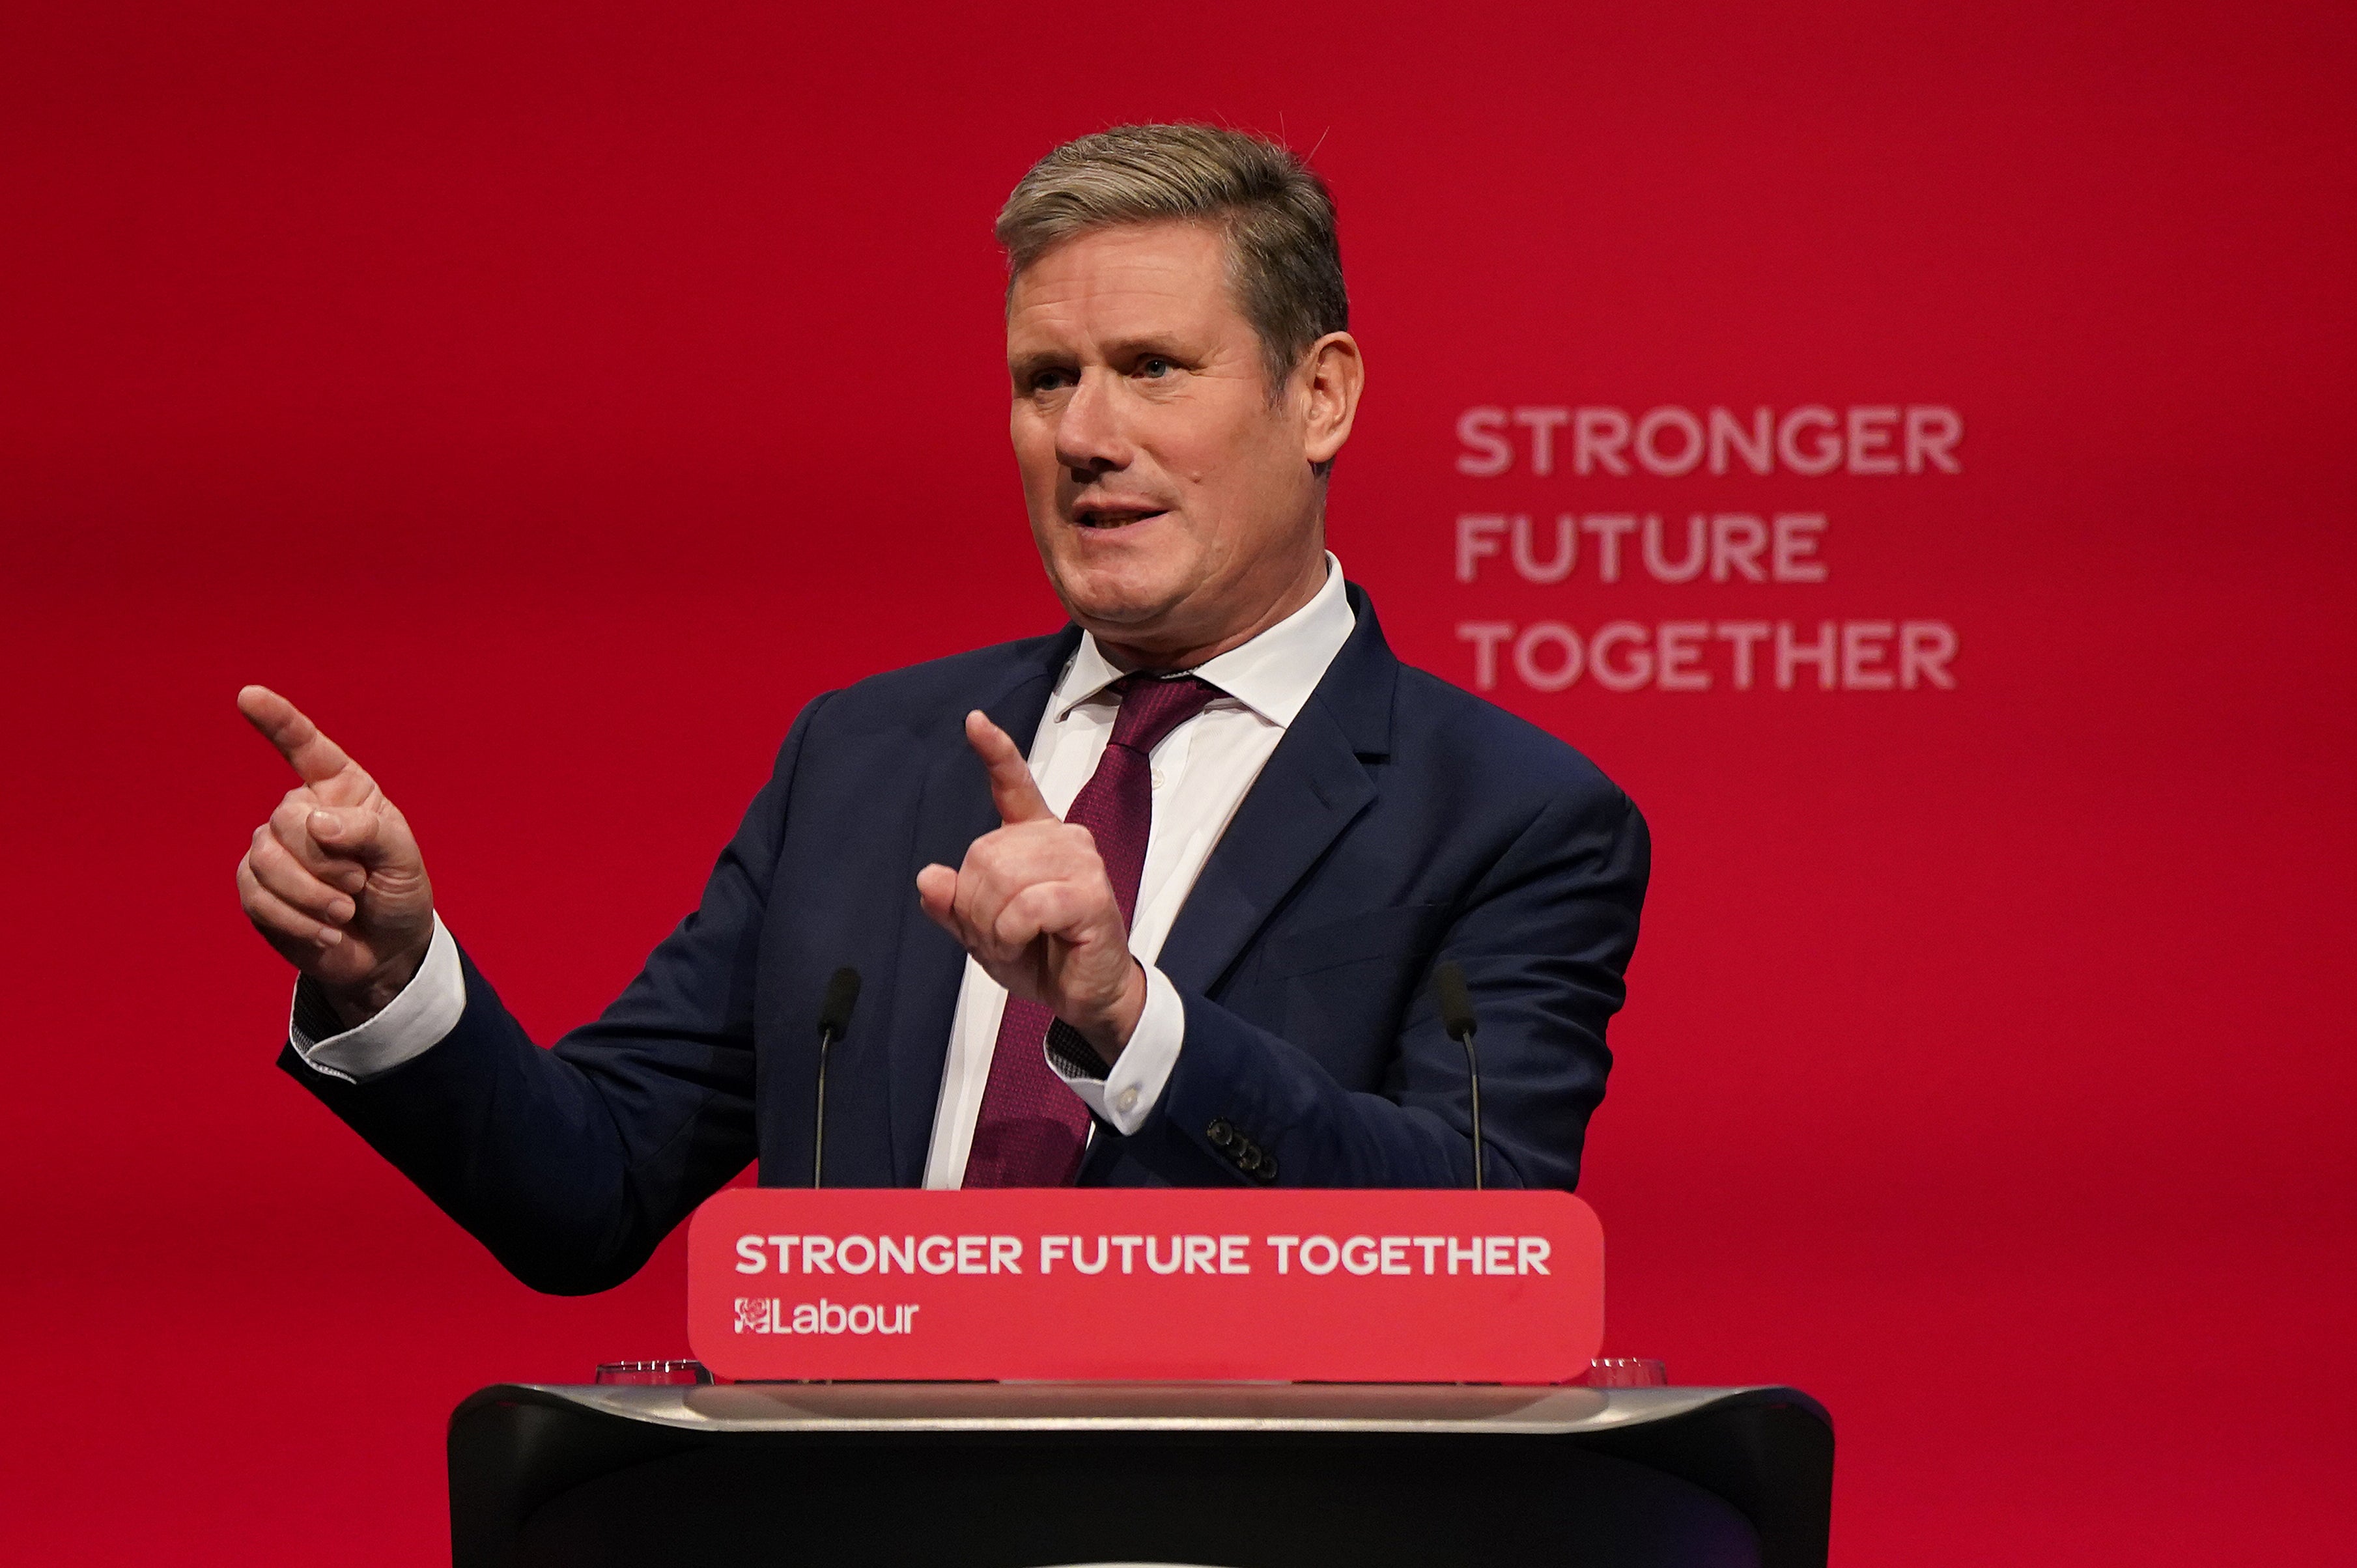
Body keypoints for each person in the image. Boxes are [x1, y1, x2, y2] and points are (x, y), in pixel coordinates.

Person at [234, 124, 1650, 1295]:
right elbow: (586, 1189)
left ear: (1320, 394)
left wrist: (1127, 1019)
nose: (1087, 436)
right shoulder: (862, 759)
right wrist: (391, 976)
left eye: (1153, 367)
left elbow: (1486, 1255)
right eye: (1047, 381)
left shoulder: (1510, 817)